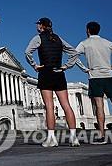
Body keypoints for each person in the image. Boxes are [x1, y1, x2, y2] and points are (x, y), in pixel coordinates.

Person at [25, 17, 80, 147]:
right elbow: (75, 52)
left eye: (38, 24)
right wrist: (66, 66)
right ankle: (73, 137)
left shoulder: (38, 38)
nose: (37, 26)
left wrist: (34, 65)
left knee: (49, 106)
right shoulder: (58, 38)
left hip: (46, 72)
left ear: (41, 26)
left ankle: (51, 138)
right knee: (66, 105)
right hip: (59, 72)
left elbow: (27, 52)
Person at [75, 21, 112, 144]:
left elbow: (74, 55)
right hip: (110, 75)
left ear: (88, 30)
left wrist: (84, 68)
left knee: (99, 106)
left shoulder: (84, 43)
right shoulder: (107, 42)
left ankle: (101, 136)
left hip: (95, 77)